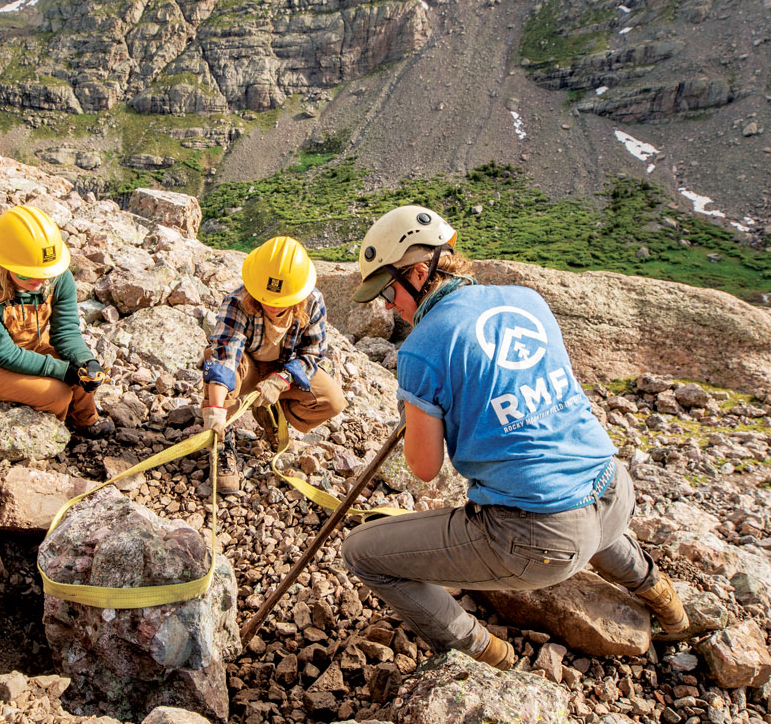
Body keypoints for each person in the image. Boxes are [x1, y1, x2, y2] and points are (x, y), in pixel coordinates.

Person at [341, 205, 688, 670]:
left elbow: (424, 469)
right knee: (565, 486)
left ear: (419, 272)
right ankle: (666, 602)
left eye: (388, 290)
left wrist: (415, 405)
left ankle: (491, 656)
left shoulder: (422, 348)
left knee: (361, 553)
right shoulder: (527, 300)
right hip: (613, 492)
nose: (387, 306)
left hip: (542, 540)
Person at [0, 205, 113, 439]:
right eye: (25, 273)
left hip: (31, 347)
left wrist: (85, 360)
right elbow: (2, 354)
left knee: (82, 374)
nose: (38, 281)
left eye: (45, 273)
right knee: (57, 395)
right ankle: (52, 437)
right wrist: (62, 371)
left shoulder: (59, 278)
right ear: (2, 263)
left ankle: (85, 421)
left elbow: (66, 331)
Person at [201, 236, 346, 493]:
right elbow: (225, 357)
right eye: (265, 297)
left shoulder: (312, 302)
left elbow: (312, 353)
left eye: (279, 300)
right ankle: (222, 443)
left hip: (284, 369)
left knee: (331, 400)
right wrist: (215, 410)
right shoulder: (237, 302)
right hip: (247, 368)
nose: (270, 304)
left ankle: (271, 410)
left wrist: (281, 381)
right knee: (215, 359)